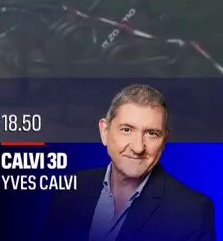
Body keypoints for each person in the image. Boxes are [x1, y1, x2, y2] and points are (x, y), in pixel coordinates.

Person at [41, 84, 215, 241]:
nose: (138, 147)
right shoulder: (70, 190)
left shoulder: (191, 212)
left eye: (152, 133)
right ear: (104, 131)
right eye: (127, 130)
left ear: (165, 139)